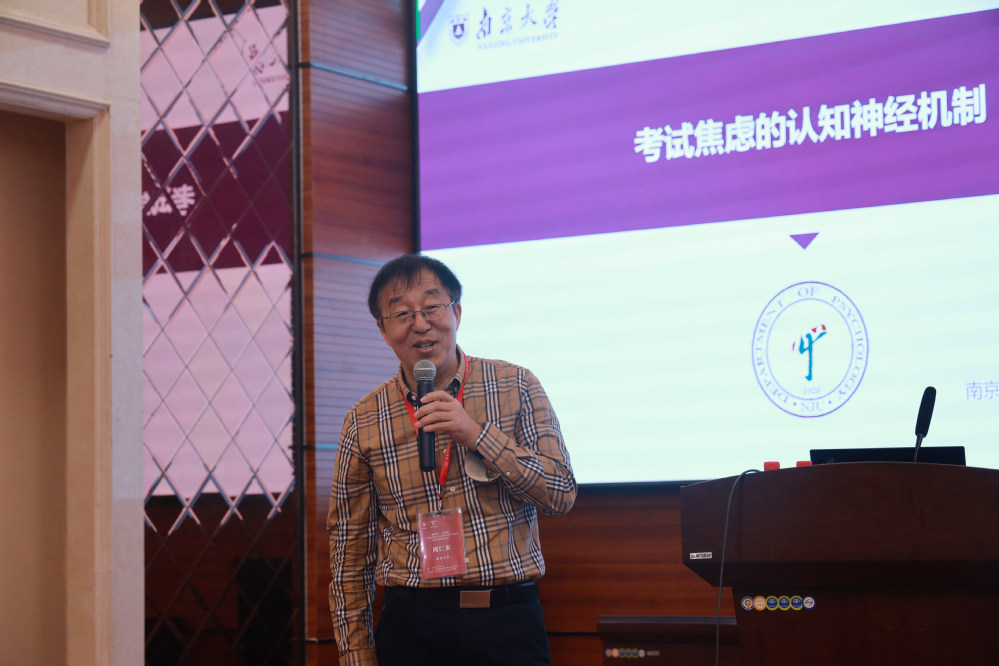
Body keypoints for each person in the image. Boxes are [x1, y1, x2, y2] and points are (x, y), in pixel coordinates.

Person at [327, 253, 577, 666]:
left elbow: (561, 493)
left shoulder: (516, 385)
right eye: (402, 314)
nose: (420, 324)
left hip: (506, 621)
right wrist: (356, 653)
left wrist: (476, 435)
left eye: (432, 307)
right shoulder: (364, 419)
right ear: (383, 330)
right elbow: (349, 552)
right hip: (411, 626)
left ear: (456, 312)